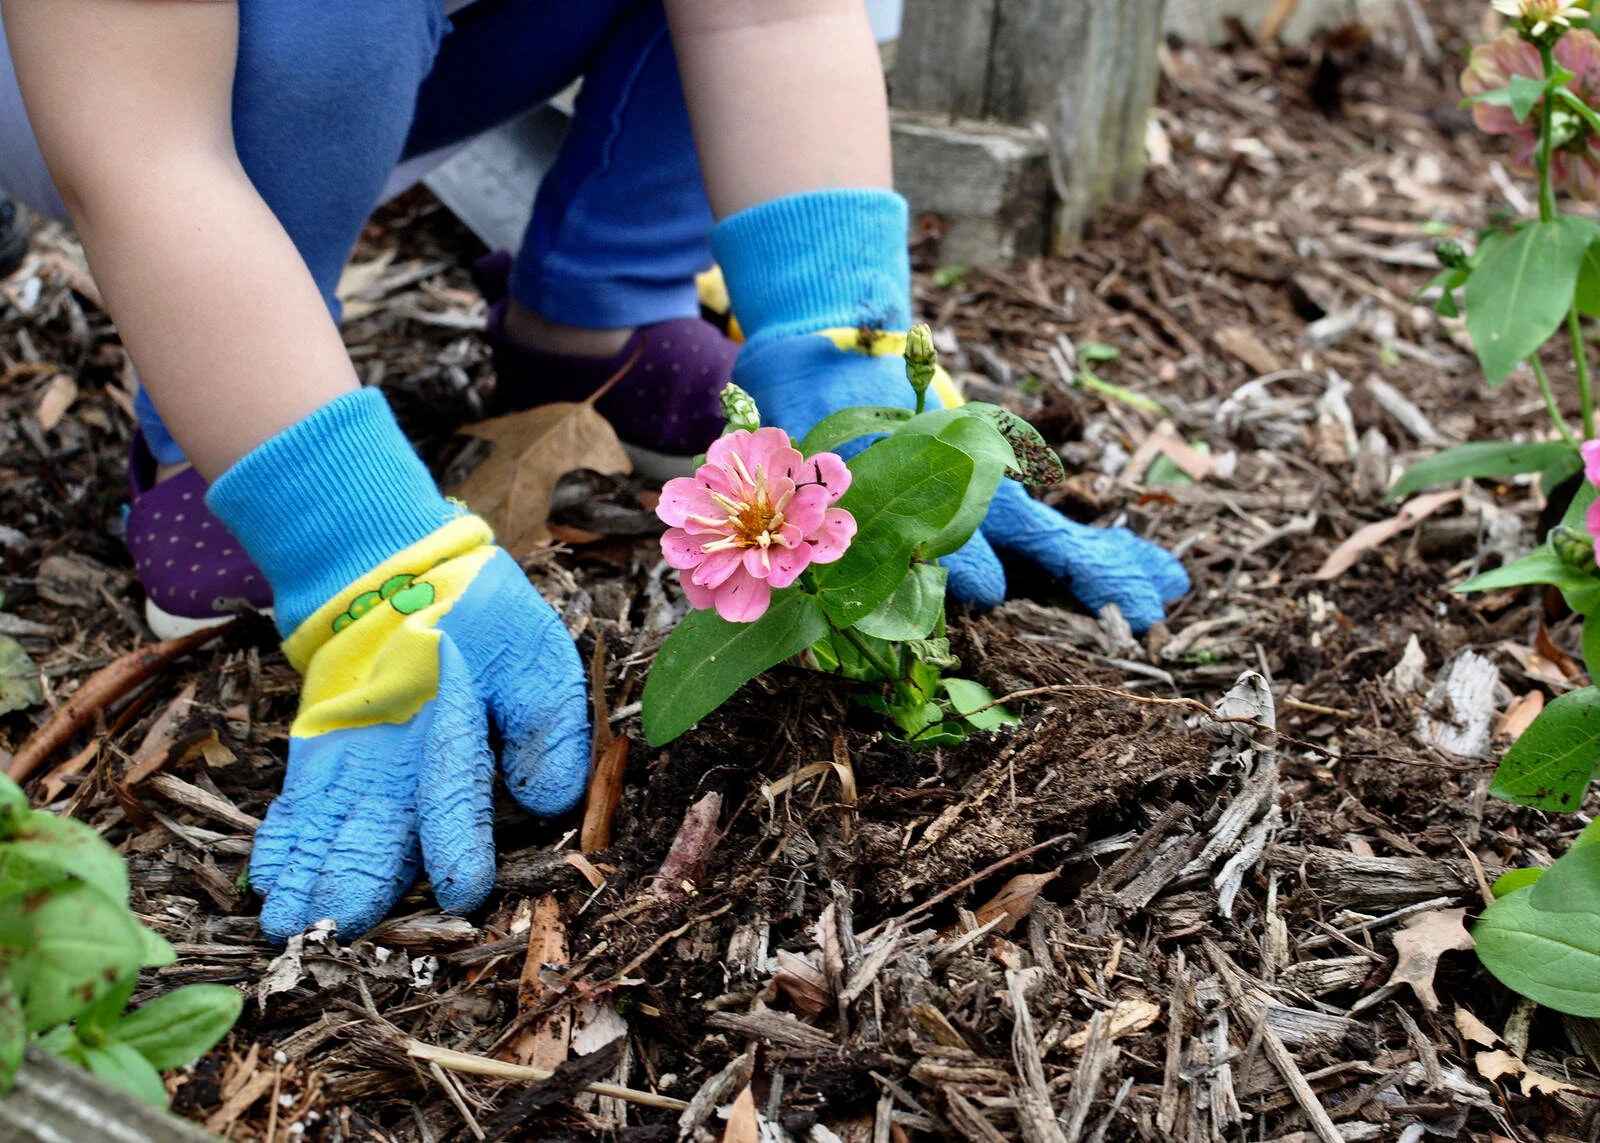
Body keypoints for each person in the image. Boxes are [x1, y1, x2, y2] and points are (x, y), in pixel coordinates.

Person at [0, 0, 1189, 943]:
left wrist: (851, 361)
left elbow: (774, 20)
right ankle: (204, 425)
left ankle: (593, 313)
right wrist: (348, 545)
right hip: (111, 86)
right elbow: (146, 156)